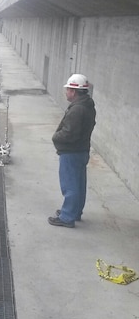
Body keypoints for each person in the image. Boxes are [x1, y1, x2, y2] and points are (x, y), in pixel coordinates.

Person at [48, 74, 96, 228]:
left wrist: (56, 137)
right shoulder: (88, 105)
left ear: (74, 91)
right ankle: (74, 212)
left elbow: (69, 134)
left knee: (70, 185)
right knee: (79, 184)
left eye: (68, 89)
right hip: (81, 150)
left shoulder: (77, 110)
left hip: (72, 152)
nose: (66, 92)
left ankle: (67, 217)